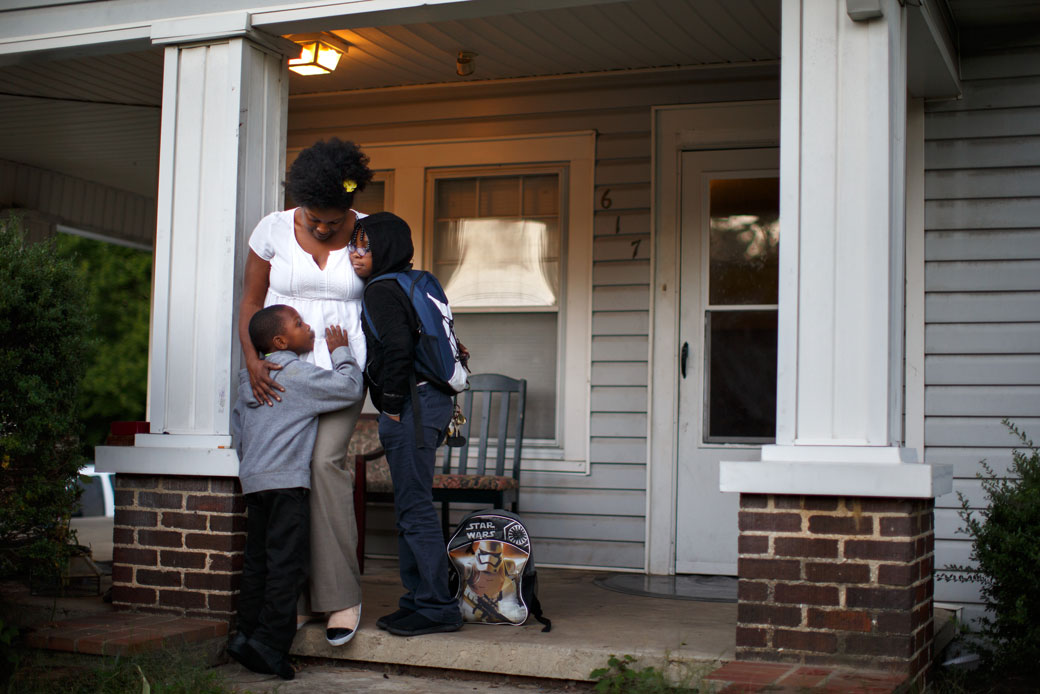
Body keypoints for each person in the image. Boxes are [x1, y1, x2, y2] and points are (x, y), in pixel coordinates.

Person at [237, 138, 373, 645]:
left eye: (331, 222)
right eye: (314, 218)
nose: (321, 228)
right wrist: (253, 363)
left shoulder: (367, 233)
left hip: (341, 372)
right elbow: (251, 301)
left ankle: (339, 596)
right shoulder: (273, 229)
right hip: (282, 376)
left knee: (322, 465)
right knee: (289, 476)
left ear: (350, 204)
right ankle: (292, 600)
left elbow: (388, 296)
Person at [229, 305, 364, 679]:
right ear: (281, 341)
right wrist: (341, 352)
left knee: (257, 563)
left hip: (254, 483)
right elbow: (350, 390)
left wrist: (254, 465)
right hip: (287, 485)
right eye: (300, 324)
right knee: (287, 566)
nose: (309, 328)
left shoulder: (249, 381)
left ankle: (243, 636)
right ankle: (270, 645)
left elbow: (239, 430)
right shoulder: (299, 375)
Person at [349, 212, 464, 637]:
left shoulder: (380, 290)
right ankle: (418, 599)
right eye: (353, 244)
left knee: (414, 510)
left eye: (366, 245)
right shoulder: (408, 282)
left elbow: (397, 348)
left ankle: (437, 607)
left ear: (386, 248)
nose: (356, 253)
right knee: (410, 509)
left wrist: (392, 405)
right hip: (430, 403)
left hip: (412, 405)